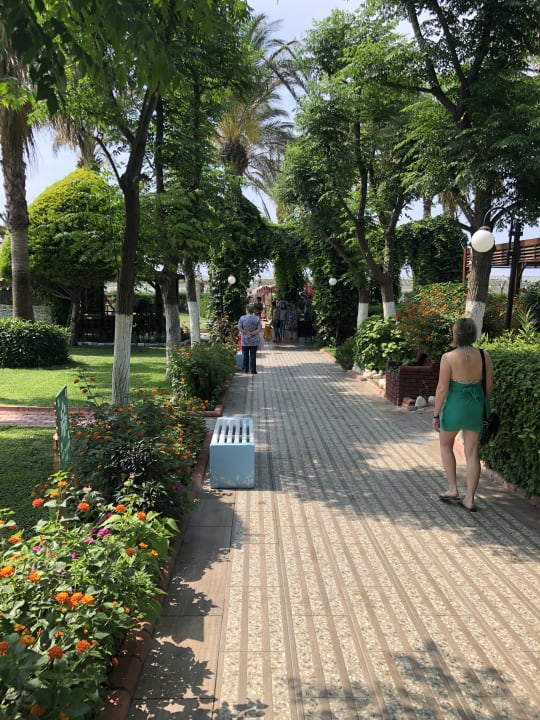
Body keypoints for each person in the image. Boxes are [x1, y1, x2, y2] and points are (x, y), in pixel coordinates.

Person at [432, 317, 493, 512]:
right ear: (473, 334)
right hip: (476, 407)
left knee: (445, 445)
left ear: (456, 334)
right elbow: (489, 390)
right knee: (472, 453)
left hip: (454, 407)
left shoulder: (448, 357)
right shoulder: (484, 356)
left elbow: (442, 389)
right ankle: (469, 499)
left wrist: (435, 415)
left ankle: (452, 488)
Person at [238, 304, 262, 374]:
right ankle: (253, 370)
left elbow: (239, 327)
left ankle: (246, 369)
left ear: (247, 310)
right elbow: (259, 328)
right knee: (253, 355)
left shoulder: (242, 318)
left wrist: (246, 332)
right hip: (254, 340)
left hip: (245, 340)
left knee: (245, 355)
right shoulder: (257, 318)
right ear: (253, 310)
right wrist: (253, 333)